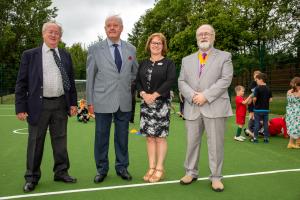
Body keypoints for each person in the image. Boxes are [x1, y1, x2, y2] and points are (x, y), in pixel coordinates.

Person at [15, 21, 78, 192]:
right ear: (43, 34)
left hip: (60, 104)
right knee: (35, 142)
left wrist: (73, 103)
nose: (53, 35)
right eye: (50, 32)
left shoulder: (65, 55)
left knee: (60, 141)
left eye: (56, 32)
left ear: (60, 36)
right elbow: (21, 83)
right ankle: (32, 177)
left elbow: (70, 82)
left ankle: (61, 172)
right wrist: (20, 107)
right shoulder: (30, 55)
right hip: (38, 105)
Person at [178, 24, 233, 192]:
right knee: (192, 143)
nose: (203, 36)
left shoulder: (225, 56)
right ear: (196, 38)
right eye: (200, 34)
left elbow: (226, 80)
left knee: (215, 144)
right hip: (192, 107)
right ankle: (190, 172)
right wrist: (193, 96)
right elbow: (181, 82)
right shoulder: (186, 60)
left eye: (207, 34)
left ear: (213, 36)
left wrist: (205, 96)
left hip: (215, 107)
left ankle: (216, 177)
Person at [86, 15, 138, 183]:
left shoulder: (131, 49)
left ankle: (122, 167)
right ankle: (101, 169)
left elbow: (134, 72)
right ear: (105, 29)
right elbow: (90, 76)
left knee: (122, 136)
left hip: (123, 100)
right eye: (109, 25)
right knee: (101, 136)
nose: (112, 28)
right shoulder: (95, 49)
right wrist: (90, 101)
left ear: (121, 28)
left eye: (116, 25)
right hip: (101, 100)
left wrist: (125, 83)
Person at [136, 33, 176, 183]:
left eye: (159, 43)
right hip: (146, 104)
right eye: (153, 43)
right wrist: (143, 94)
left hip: (161, 105)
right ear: (149, 45)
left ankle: (160, 168)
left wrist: (155, 95)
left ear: (163, 46)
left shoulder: (169, 63)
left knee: (160, 137)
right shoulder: (143, 63)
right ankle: (151, 167)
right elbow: (138, 80)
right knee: (149, 138)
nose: (155, 45)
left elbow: (170, 80)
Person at [252, 73, 272, 143]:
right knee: (265, 124)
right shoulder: (268, 88)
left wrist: (254, 103)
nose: (256, 81)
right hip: (266, 109)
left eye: (257, 80)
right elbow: (270, 100)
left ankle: (255, 138)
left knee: (257, 123)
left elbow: (254, 99)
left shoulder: (257, 88)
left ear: (261, 80)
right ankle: (266, 138)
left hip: (258, 109)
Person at [244, 70, 261, 137]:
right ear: (254, 76)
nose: (257, 76)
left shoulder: (260, 83)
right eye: (255, 75)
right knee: (251, 115)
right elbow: (254, 91)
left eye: (258, 75)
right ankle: (249, 129)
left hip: (258, 101)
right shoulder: (253, 83)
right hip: (252, 102)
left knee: (257, 115)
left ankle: (255, 129)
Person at [286, 77, 300, 149]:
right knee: (296, 127)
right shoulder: (299, 92)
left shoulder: (288, 92)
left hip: (290, 111)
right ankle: (291, 143)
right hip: (297, 112)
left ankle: (298, 142)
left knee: (293, 126)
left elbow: (289, 102)